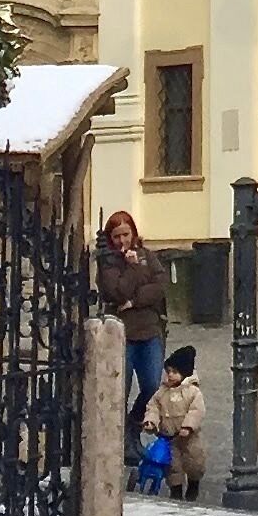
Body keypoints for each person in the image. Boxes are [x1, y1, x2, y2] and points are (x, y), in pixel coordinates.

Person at [95, 209, 170, 444]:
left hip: (149, 331)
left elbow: (160, 287)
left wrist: (135, 301)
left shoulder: (148, 255)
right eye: (117, 236)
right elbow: (117, 292)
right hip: (122, 334)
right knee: (120, 390)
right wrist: (134, 270)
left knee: (151, 384)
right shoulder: (108, 263)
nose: (122, 241)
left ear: (133, 233)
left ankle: (133, 423)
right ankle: (119, 440)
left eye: (126, 234)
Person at [144, 343, 210, 500]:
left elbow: (196, 411)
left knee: (195, 463)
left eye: (174, 372)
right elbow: (153, 407)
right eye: (168, 372)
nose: (170, 376)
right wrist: (151, 421)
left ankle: (194, 483)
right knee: (173, 467)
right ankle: (176, 491)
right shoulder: (162, 392)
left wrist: (188, 426)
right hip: (169, 437)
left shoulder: (193, 392)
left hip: (189, 438)